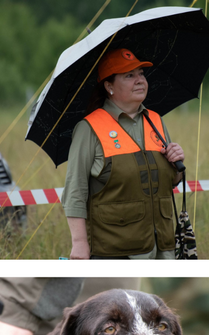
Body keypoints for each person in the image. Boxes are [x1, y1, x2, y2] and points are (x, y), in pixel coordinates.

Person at [61, 48, 185, 260]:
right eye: (129, 75)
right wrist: (80, 243)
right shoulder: (89, 128)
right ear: (109, 86)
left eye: (141, 74)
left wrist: (176, 163)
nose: (139, 80)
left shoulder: (155, 120)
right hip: (116, 251)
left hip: (162, 249)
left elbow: (171, 181)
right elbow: (75, 189)